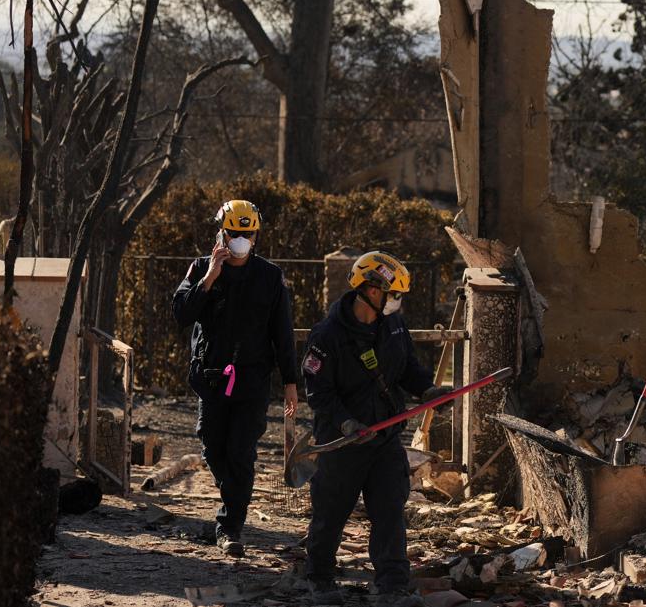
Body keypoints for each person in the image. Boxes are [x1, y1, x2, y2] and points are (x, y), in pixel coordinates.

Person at [301, 251, 445, 606]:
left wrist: (427, 390)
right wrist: (347, 422)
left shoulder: (393, 325)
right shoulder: (327, 336)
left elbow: (407, 367)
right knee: (330, 513)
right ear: (370, 290)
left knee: (390, 511)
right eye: (392, 294)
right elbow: (319, 392)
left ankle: (392, 585)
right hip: (342, 443)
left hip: (385, 439)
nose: (397, 301)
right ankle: (319, 578)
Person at [172, 199, 299, 557]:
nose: (241, 239)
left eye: (247, 233)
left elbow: (282, 332)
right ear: (221, 233)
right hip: (210, 379)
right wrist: (210, 278)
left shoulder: (270, 277)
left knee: (241, 453)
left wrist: (291, 382)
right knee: (214, 449)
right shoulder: (200, 268)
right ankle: (235, 495)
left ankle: (230, 528)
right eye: (234, 233)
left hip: (252, 382)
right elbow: (181, 313)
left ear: (256, 236)